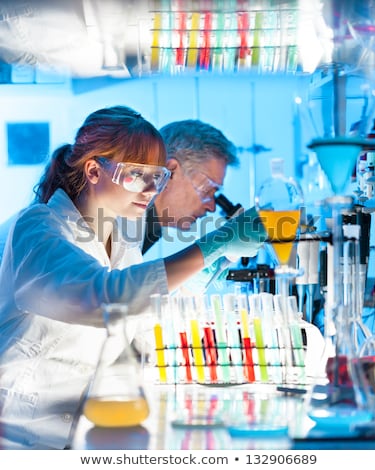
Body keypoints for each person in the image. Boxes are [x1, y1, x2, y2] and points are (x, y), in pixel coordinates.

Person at [0, 105, 266, 449]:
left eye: (157, 178)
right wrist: (212, 244)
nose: (150, 189)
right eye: (136, 175)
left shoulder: (121, 240)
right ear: (94, 171)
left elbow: (139, 330)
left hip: (73, 433)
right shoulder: (36, 227)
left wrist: (200, 275)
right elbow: (107, 297)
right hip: (17, 437)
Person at [142, 119, 239, 254]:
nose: (211, 207)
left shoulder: (150, 229)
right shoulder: (122, 224)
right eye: (207, 190)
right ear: (170, 171)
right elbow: (120, 276)